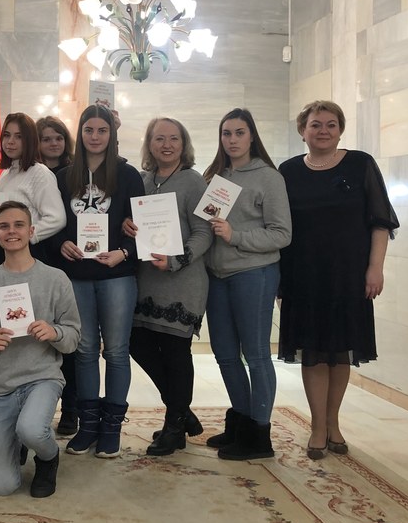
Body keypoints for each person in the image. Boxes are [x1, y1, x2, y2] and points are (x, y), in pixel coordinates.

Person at [279, 100, 398, 460]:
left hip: (348, 274)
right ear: (303, 131)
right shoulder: (288, 171)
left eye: (331, 124)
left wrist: (375, 268)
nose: (323, 131)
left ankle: (334, 423)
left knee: (340, 350)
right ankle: (318, 426)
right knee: (313, 352)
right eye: (315, 124)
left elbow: (380, 222)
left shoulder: (361, 164)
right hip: (303, 275)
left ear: (341, 130)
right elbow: (280, 226)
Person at [50, 105, 143, 459]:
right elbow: (52, 225)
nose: (95, 136)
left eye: (102, 130)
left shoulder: (128, 175)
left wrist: (124, 252)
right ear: (81, 133)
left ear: (111, 134)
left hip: (117, 274)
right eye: (89, 129)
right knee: (85, 350)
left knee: (116, 351)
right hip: (75, 276)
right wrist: (61, 244)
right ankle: (87, 426)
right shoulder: (63, 177)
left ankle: (111, 428)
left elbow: (145, 227)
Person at [0, 201, 81, 497]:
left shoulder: (56, 279)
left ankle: (48, 457)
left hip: (42, 377)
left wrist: (54, 332)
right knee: (3, 486)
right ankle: (17, 440)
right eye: (4, 226)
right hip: (0, 387)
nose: (12, 231)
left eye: (19, 225)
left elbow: (73, 338)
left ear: (31, 231)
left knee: (32, 429)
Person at [202, 108, 292, 460]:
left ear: (252, 136)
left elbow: (282, 234)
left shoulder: (269, 177)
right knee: (225, 354)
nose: (232, 139)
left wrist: (235, 235)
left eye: (239, 132)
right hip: (217, 275)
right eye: (226, 133)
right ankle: (241, 422)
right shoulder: (215, 176)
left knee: (255, 354)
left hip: (254, 273)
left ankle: (259, 435)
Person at [123, 118, 213, 455]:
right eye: (159, 138)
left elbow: (204, 232)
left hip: (182, 280)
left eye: (174, 138)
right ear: (149, 143)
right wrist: (128, 225)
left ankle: (174, 426)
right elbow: (132, 221)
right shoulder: (142, 180)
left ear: (183, 143)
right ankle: (181, 411)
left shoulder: (193, 181)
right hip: (146, 280)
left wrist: (177, 259)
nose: (167, 145)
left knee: (176, 354)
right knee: (137, 343)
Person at [36, 115, 78, 435]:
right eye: (46, 138)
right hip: (37, 258)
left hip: (68, 264)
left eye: (58, 137)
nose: (53, 143)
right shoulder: (29, 174)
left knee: (66, 337)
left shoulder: (75, 174)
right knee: (38, 336)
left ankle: (71, 409)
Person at [0, 112, 66, 272]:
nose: (10, 141)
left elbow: (57, 218)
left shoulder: (40, 173)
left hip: (26, 255)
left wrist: (26, 236)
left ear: (29, 140)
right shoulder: (6, 172)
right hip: (1, 251)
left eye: (18, 136)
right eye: (6, 135)